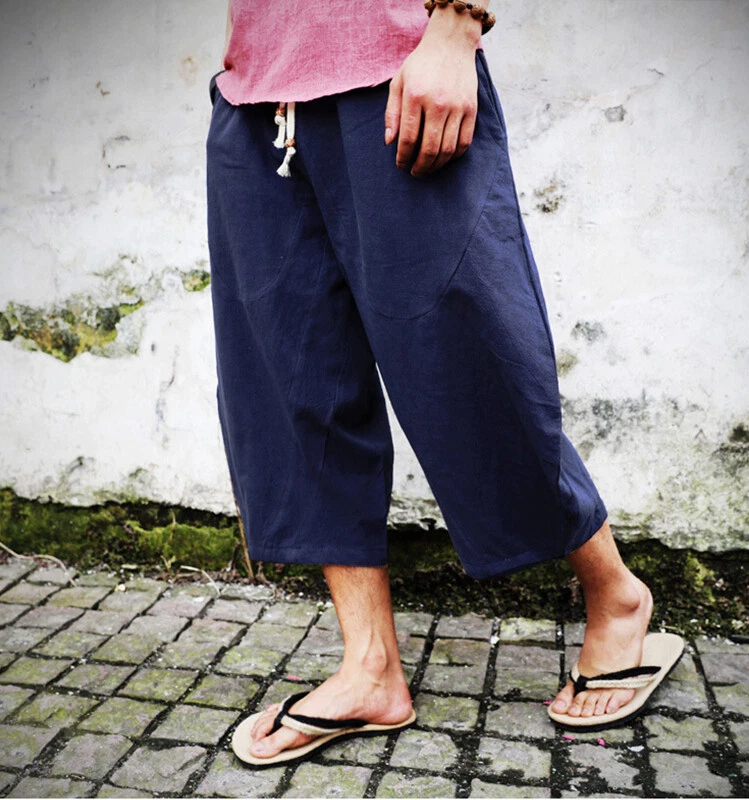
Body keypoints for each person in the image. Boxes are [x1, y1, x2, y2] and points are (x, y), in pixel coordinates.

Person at [206, 0, 683, 766]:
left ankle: (617, 595)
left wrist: (457, 25)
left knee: (468, 364)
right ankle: (370, 667)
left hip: (397, 75)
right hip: (256, 96)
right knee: (297, 382)